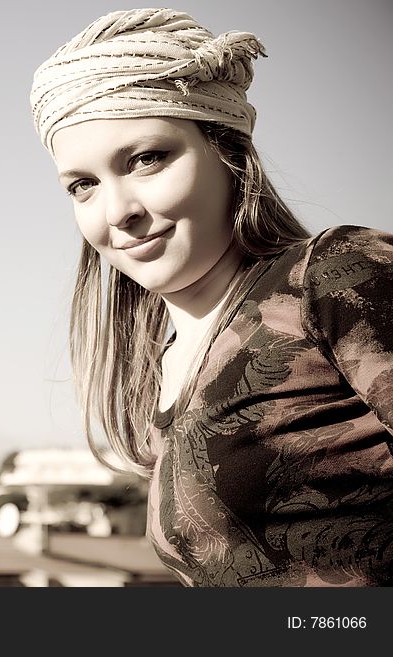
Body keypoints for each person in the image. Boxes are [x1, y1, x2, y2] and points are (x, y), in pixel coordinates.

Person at [30, 8, 393, 586]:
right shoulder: (164, 366)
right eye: (83, 185)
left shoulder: (332, 277)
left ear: (228, 151)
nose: (118, 211)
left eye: (147, 158)